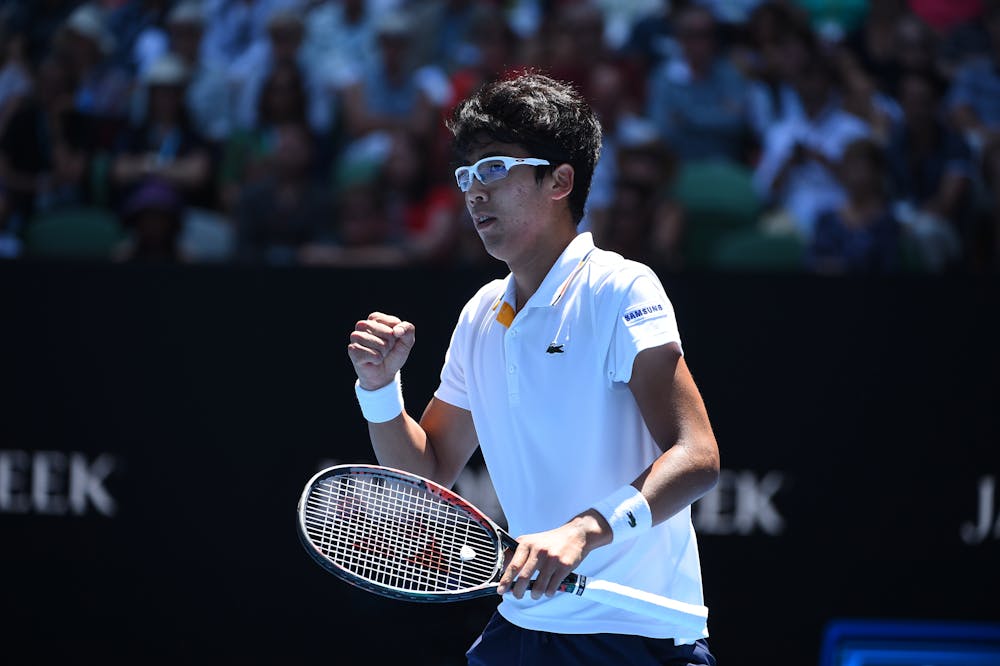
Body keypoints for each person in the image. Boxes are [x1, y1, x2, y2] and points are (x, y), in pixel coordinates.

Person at [346, 73, 719, 665]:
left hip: (637, 633)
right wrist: (379, 388)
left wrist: (584, 530)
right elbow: (431, 472)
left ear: (560, 180)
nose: (473, 192)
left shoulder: (619, 287)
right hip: (521, 629)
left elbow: (697, 456)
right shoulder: (478, 315)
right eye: (465, 175)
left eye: (494, 168)